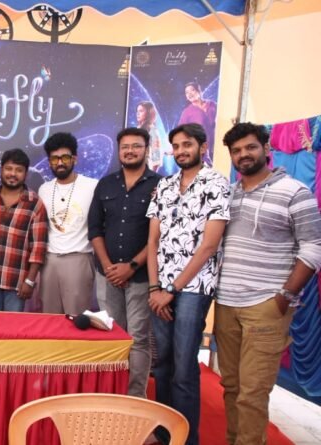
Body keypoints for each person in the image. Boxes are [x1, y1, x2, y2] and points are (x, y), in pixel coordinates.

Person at [215, 123, 321, 445]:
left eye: (250, 147)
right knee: (231, 386)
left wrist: (286, 294)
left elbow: (314, 246)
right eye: (236, 151)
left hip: (266, 305)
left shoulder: (295, 192)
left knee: (252, 393)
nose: (243, 155)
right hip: (226, 304)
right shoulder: (227, 195)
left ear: (266, 148)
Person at [146, 123, 230, 445]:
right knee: (162, 364)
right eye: (177, 146)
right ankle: (164, 433)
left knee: (183, 368)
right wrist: (155, 289)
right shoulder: (165, 185)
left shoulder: (216, 184)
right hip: (160, 289)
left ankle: (185, 439)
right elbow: (152, 241)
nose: (181, 151)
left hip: (193, 288)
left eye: (187, 144)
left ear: (202, 147)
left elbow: (209, 246)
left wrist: (171, 290)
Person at [88, 127, 161, 398]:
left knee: (138, 337)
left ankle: (135, 397)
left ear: (146, 149)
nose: (130, 151)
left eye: (136, 146)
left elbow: (160, 235)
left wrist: (131, 266)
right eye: (125, 147)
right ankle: (112, 394)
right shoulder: (105, 184)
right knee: (112, 335)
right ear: (119, 151)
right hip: (107, 274)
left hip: (140, 276)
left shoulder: (160, 185)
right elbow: (95, 229)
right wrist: (109, 267)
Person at [37, 132, 98, 315]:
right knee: (49, 317)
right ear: (49, 162)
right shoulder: (44, 189)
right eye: (54, 159)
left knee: (76, 317)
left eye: (64, 157)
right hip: (49, 260)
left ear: (74, 159)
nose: (60, 163)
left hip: (79, 258)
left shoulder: (93, 186)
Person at [0, 148, 48, 312]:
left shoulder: (35, 204)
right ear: (1, 170)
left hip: (17, 282)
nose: (13, 174)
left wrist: (30, 281)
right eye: (9, 169)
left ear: (26, 174)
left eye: (19, 170)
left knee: (13, 326)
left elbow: (38, 249)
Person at [178, 81, 217, 165]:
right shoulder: (187, 112)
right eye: (187, 92)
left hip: (216, 146)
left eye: (192, 90)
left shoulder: (212, 105)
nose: (189, 94)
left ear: (199, 91)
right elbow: (180, 131)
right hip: (199, 149)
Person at [135, 101, 162, 172]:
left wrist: (151, 176)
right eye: (137, 111)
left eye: (141, 111)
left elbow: (157, 158)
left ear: (149, 113)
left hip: (145, 170)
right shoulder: (137, 129)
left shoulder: (152, 131)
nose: (138, 113)